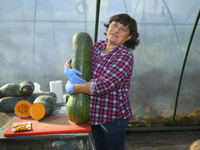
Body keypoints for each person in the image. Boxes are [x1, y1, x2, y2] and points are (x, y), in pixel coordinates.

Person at [64, 13, 140, 150]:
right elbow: (72, 60)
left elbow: (102, 85)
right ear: (108, 26)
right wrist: (68, 69)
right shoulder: (97, 45)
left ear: (129, 37)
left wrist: (74, 88)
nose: (116, 30)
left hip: (113, 117)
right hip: (94, 114)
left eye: (123, 29)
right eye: (114, 25)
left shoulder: (125, 56)